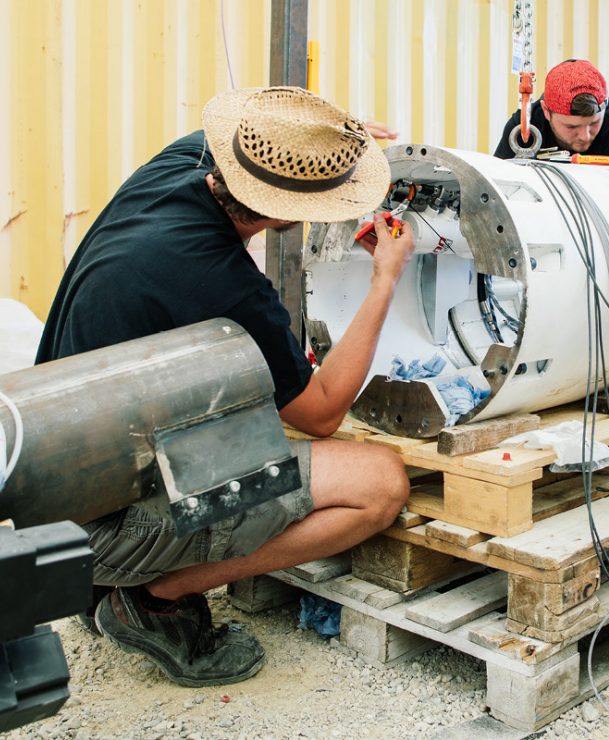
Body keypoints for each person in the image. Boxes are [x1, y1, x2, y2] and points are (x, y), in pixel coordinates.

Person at [35, 87, 415, 687]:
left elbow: (273, 143)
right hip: (102, 528)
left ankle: (119, 576)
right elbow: (320, 416)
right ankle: (152, 593)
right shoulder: (225, 283)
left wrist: (322, 140)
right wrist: (384, 281)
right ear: (284, 212)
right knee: (380, 484)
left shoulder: (175, 164)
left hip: (61, 484)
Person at [493, 58, 609, 170]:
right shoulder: (523, 127)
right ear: (546, 111)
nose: (585, 136)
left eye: (594, 123)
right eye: (571, 127)